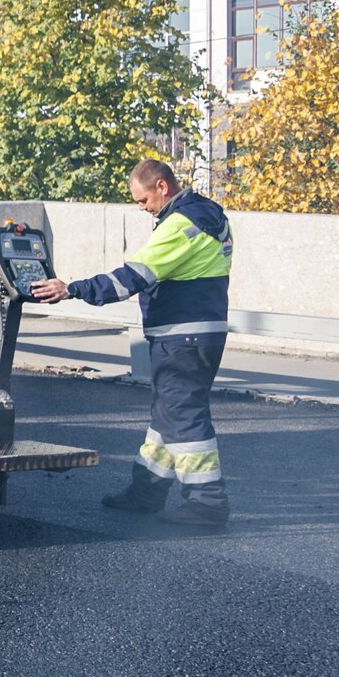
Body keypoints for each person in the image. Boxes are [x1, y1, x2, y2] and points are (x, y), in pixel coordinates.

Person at [31, 159, 234, 526]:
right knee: (167, 416)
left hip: (182, 335)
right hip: (198, 330)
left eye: (143, 200)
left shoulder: (181, 224)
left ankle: (207, 502)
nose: (142, 209)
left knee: (184, 418)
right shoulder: (208, 214)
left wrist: (72, 289)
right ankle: (146, 491)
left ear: (162, 186)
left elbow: (133, 276)